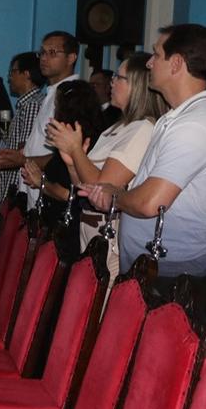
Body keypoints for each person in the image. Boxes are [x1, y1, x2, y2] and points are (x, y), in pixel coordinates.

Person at [82, 24, 206, 311]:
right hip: (156, 270)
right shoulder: (175, 117)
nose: (149, 62)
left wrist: (115, 194)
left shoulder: (196, 125)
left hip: (174, 277)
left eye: (156, 54)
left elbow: (151, 202)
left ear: (176, 64)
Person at [46, 52, 166, 280]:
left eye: (119, 78)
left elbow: (103, 187)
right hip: (90, 226)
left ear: (138, 86)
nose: (112, 82)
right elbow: (85, 187)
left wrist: (76, 150)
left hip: (108, 233)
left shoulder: (142, 129)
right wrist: (72, 164)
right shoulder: (118, 127)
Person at [20, 81, 106, 256]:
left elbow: (68, 193)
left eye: (57, 105)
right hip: (57, 223)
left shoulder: (80, 140)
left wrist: (41, 183)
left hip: (67, 227)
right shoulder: (73, 138)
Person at [19, 31, 80, 207]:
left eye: (52, 53)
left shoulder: (71, 96)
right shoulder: (51, 92)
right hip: (35, 189)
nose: (44, 58)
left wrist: (23, 160)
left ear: (71, 58)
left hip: (53, 191)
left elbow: (64, 153)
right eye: (42, 53)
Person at [0, 52, 45, 206]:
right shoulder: (26, 105)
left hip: (17, 189)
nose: (9, 78)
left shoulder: (32, 105)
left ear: (26, 74)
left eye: (12, 72)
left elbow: (23, 151)